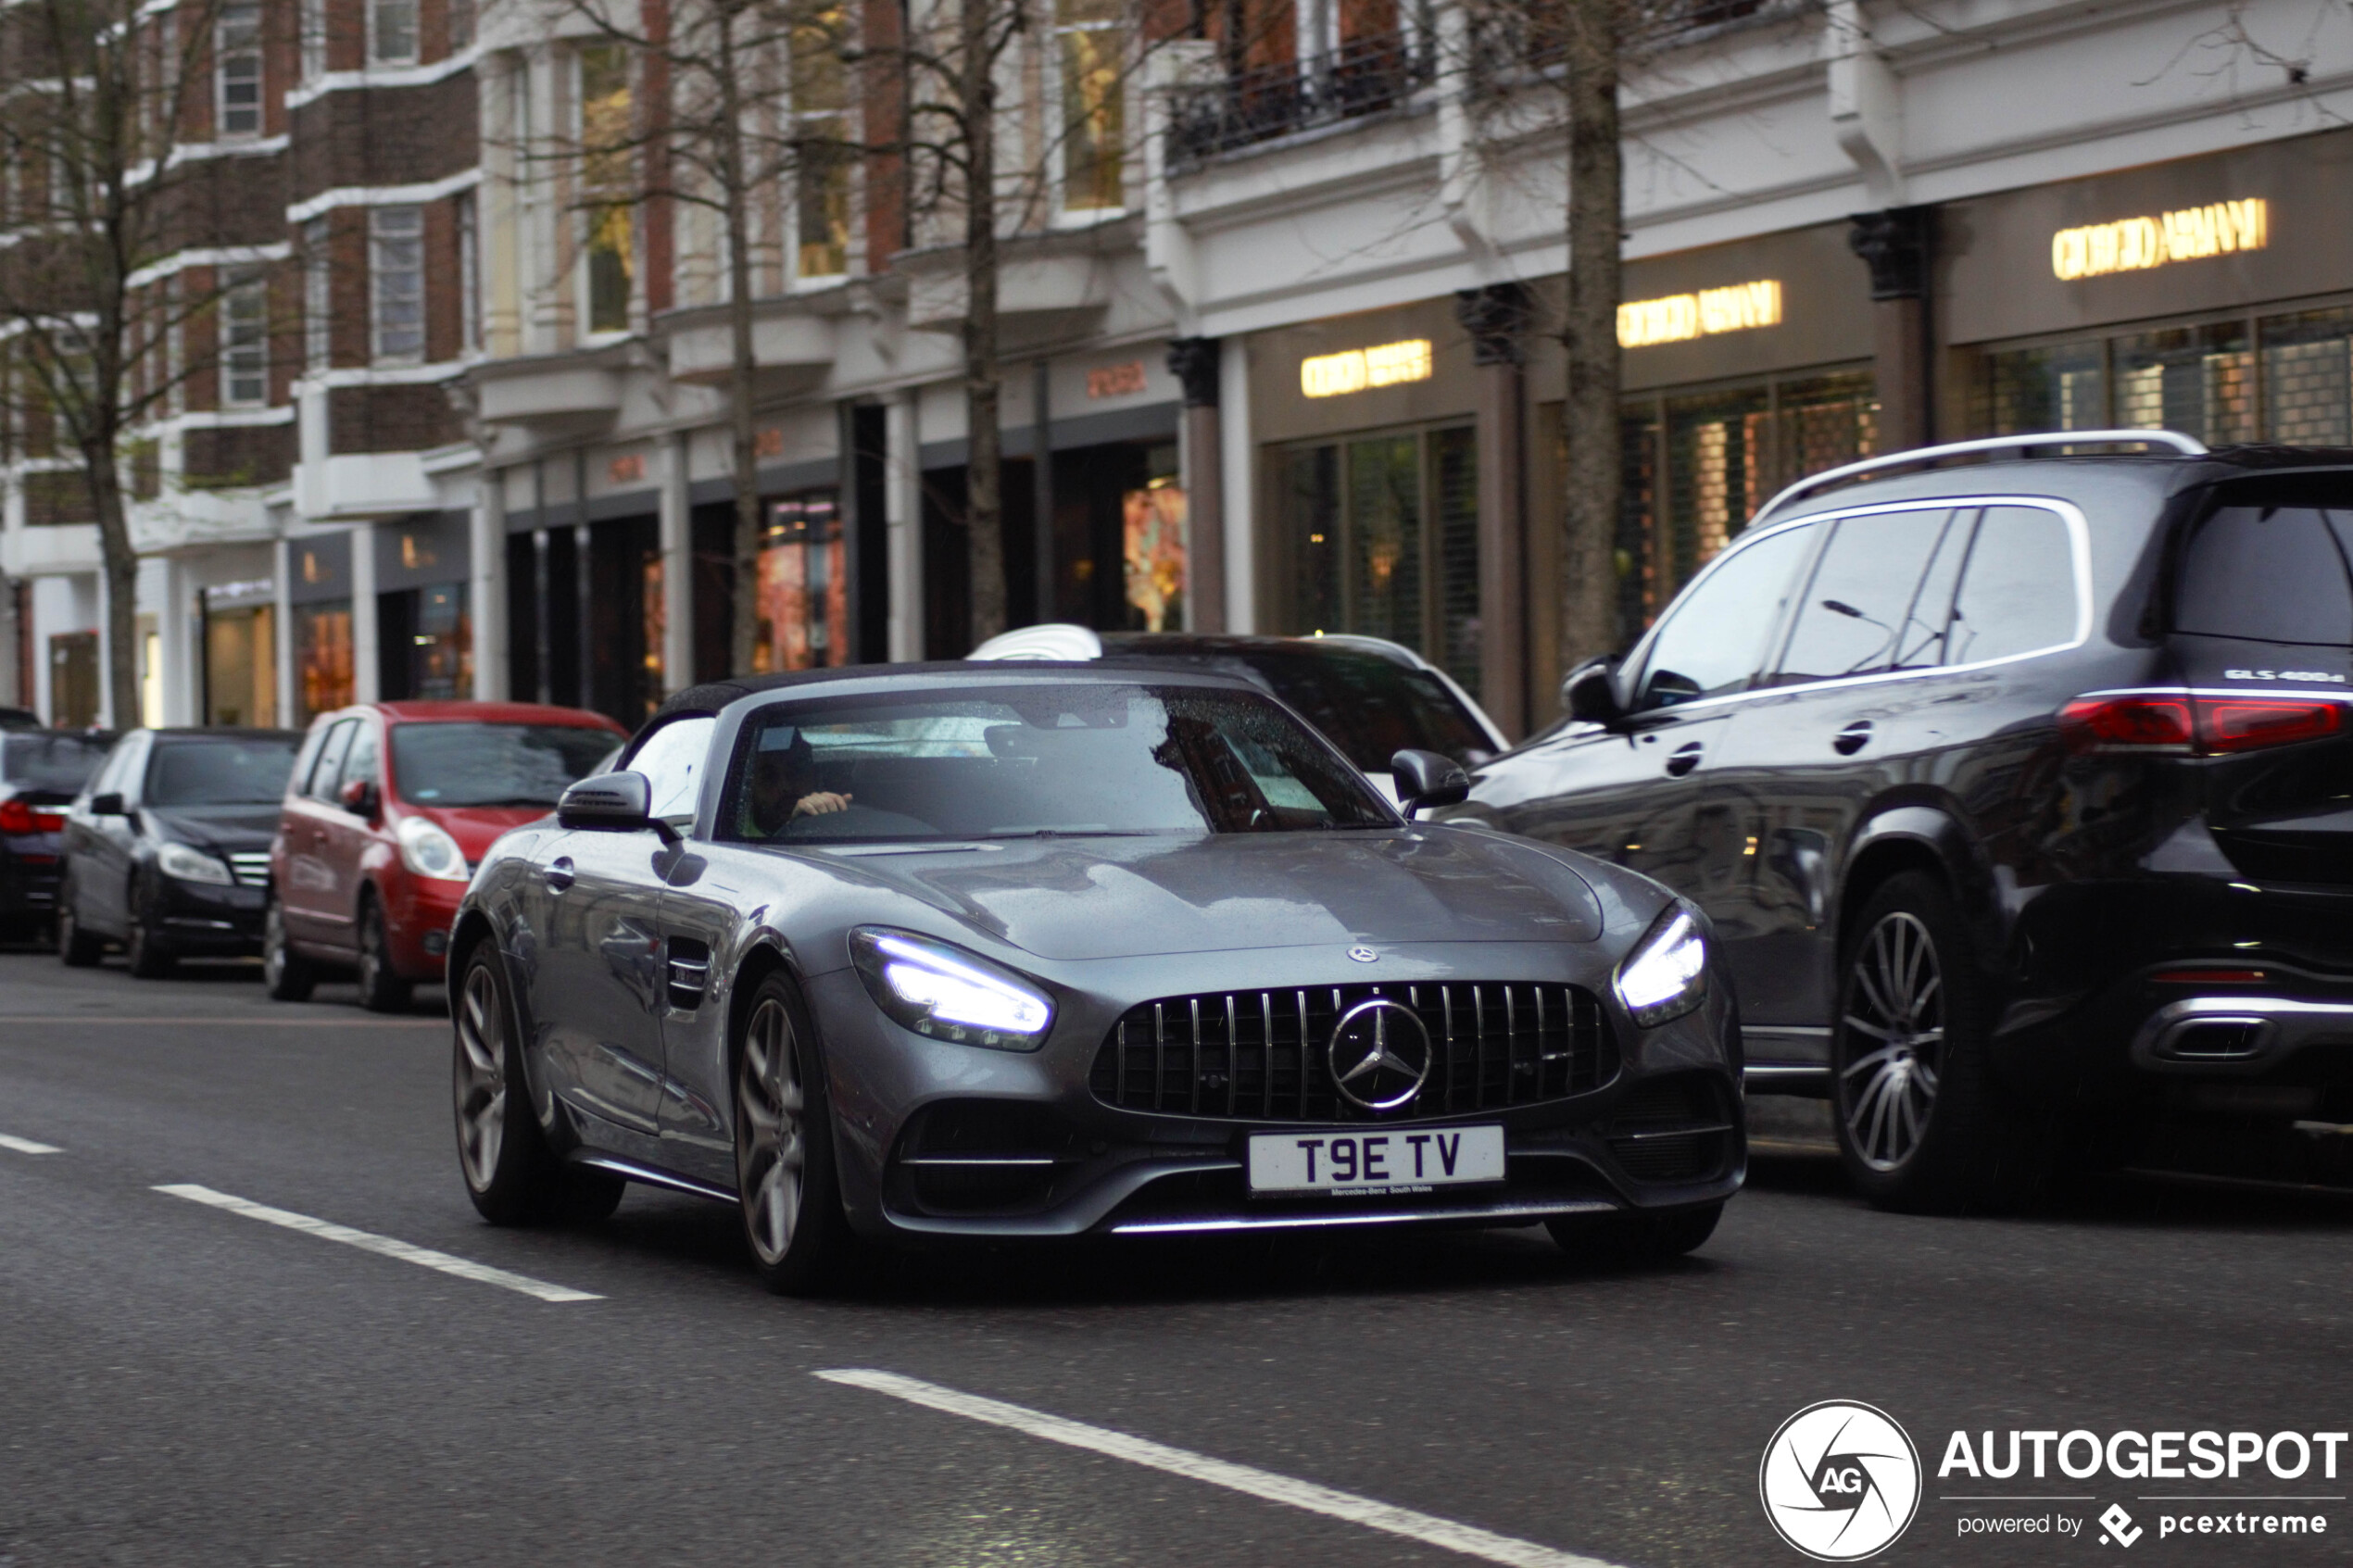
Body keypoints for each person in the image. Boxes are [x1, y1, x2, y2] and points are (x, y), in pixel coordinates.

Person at [746, 730, 851, 836]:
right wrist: (793, 827)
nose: (785, 786)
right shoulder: (738, 837)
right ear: (750, 786)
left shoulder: (837, 819)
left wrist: (832, 818)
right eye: (769, 777)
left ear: (814, 776)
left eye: (795, 772)